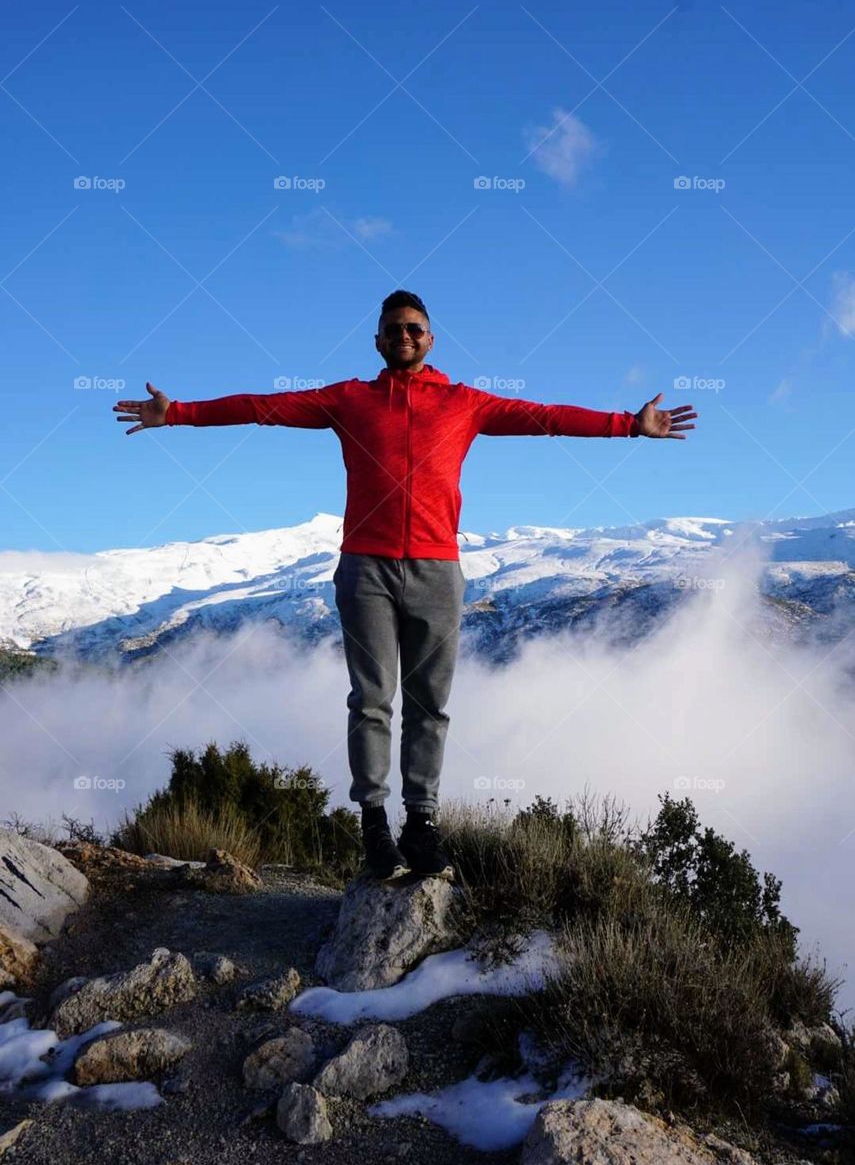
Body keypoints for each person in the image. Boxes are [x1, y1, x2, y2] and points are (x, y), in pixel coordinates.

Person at [114, 289, 698, 883]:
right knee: (371, 699)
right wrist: (179, 412)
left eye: (414, 328)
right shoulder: (349, 399)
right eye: (394, 328)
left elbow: (544, 418)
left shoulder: (464, 403)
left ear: (430, 339)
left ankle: (421, 824)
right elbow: (264, 407)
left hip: (438, 571)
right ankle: (374, 826)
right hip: (364, 568)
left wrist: (628, 425)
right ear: (378, 340)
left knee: (430, 706)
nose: (404, 336)